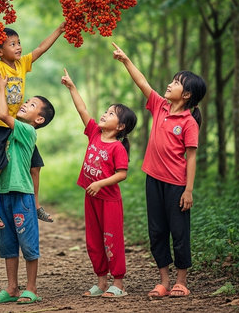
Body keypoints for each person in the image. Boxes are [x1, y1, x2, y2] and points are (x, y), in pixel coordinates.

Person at [112, 42, 206, 298]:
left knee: (179, 232)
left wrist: (188, 190)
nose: (170, 84)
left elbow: (192, 158)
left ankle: (181, 281)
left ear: (186, 95)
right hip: (153, 180)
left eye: (176, 83)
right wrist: (125, 60)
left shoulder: (188, 122)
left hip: (176, 185)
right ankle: (163, 280)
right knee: (156, 231)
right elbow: (142, 82)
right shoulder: (160, 106)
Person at [0, 15, 65, 228]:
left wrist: (60, 29)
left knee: (35, 165)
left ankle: (35, 204)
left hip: (17, 125)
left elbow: (41, 48)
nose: (18, 47)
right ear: (0, 51)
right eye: (12, 44)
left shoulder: (22, 64)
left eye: (18, 43)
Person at [61, 68, 137, 299]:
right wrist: (72, 87)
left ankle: (119, 283)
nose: (104, 114)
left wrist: (102, 183)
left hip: (109, 201)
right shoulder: (94, 133)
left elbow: (122, 174)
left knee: (111, 239)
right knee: (93, 241)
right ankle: (101, 282)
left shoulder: (117, 147)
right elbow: (82, 109)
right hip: (91, 198)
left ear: (121, 126)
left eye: (111, 114)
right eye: (105, 111)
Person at [0, 73, 55, 304]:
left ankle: (32, 288)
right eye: (27, 102)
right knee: (8, 244)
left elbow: (3, 114)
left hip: (22, 195)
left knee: (28, 243)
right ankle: (12, 287)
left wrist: (1, 88)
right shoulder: (11, 131)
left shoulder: (28, 131)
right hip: (4, 194)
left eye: (32, 105)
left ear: (39, 120)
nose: (26, 104)